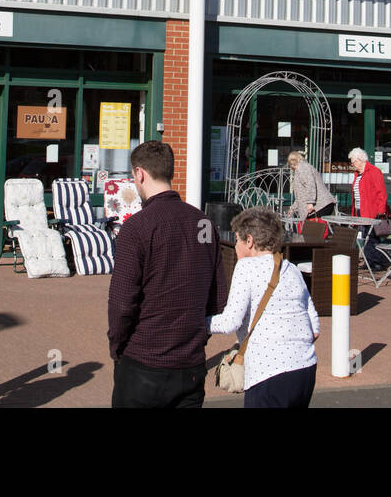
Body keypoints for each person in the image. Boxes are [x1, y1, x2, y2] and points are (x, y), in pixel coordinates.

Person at [107, 140, 229, 407]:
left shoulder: (136, 228)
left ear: (139, 174)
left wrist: (117, 346)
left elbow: (121, 303)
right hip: (190, 365)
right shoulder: (203, 224)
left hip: (143, 362)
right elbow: (218, 298)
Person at [208, 207, 319, 408]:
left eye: (237, 240)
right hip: (305, 368)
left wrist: (197, 322)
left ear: (249, 241)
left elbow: (230, 322)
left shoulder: (246, 268)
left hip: (269, 372)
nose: (236, 246)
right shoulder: (291, 269)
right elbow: (315, 327)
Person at [348, 147, 390, 272]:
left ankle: (377, 262)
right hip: (361, 209)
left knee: (372, 236)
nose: (352, 164)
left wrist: (381, 211)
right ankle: (370, 260)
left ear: (360, 160)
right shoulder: (358, 174)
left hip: (372, 210)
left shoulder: (374, 171)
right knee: (366, 236)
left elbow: (381, 192)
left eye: (353, 161)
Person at [286, 150, 336, 220]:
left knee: (313, 229)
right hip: (320, 206)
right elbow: (300, 195)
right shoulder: (300, 169)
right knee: (314, 229)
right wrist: (293, 208)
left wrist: (310, 202)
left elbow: (310, 185)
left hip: (320, 205)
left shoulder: (303, 167)